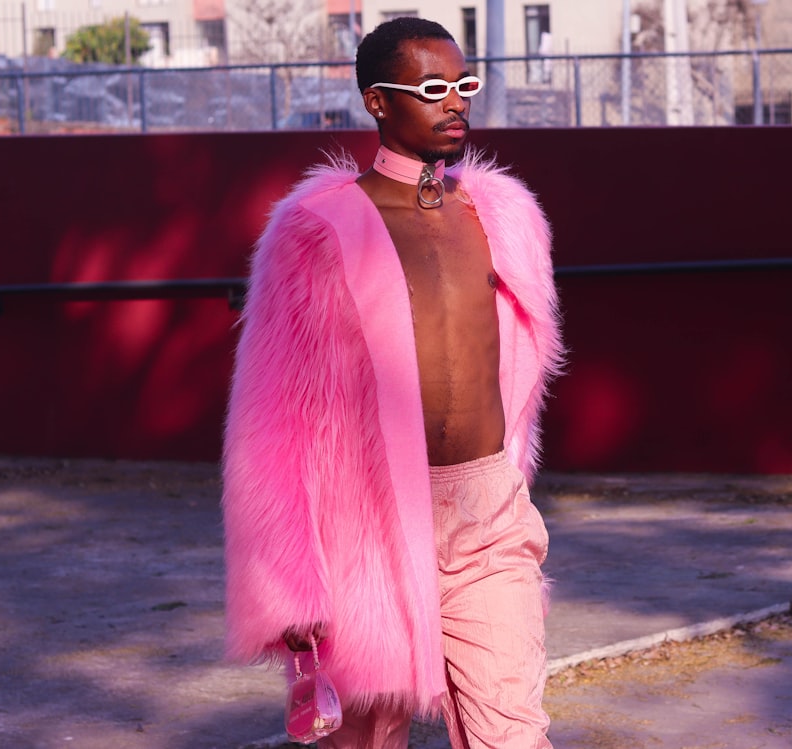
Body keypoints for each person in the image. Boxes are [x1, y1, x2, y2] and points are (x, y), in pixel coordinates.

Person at [222, 16, 564, 749]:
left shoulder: (505, 218)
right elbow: (270, 415)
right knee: (367, 740)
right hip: (363, 524)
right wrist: (290, 580)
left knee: (514, 731)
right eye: (433, 88)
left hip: (486, 512)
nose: (455, 103)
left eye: (463, 85)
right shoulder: (313, 228)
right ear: (377, 102)